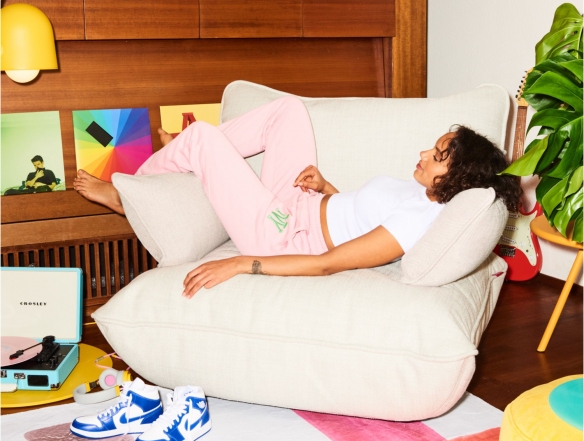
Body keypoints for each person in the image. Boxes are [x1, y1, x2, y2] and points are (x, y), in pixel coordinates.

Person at [73, 97, 521, 299]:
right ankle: (183, 154)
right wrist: (327, 189)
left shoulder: (418, 221)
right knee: (287, 111)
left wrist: (241, 263)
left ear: (458, 176)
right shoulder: (421, 193)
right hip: (301, 203)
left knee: (204, 137)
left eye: (437, 155)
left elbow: (329, 262)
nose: (423, 153)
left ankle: (130, 192)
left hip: (282, 235)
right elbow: (358, 218)